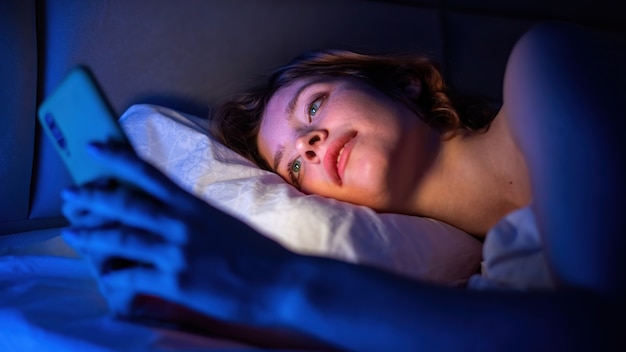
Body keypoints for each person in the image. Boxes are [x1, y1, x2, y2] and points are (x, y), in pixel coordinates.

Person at [61, 22, 625, 350]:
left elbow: (601, 329)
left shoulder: (544, 63)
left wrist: (275, 280)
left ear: (404, 83)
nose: (307, 145)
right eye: (293, 170)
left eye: (314, 105)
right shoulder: (484, 273)